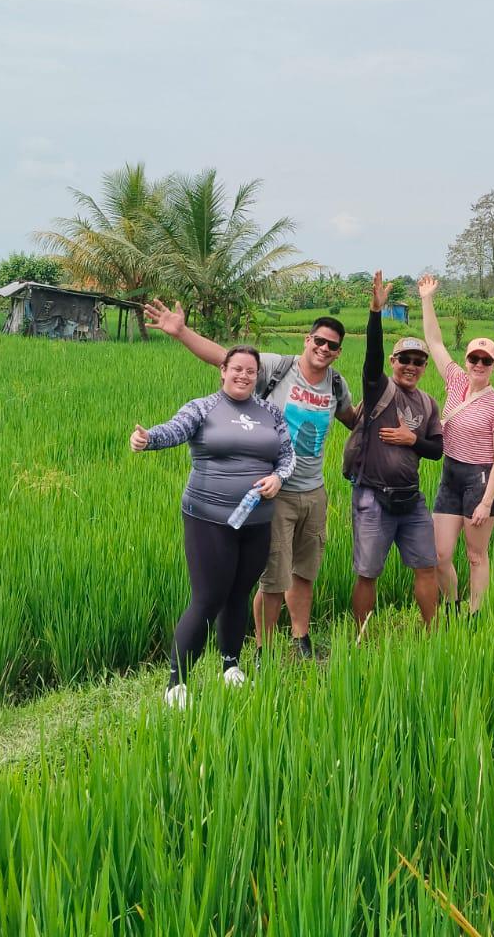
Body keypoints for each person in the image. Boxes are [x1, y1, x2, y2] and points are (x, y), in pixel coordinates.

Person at [144, 300, 357, 660]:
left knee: (305, 571)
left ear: (338, 352)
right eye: (319, 340)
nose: (324, 348)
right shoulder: (278, 367)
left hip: (314, 490)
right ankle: (263, 649)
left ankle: (301, 638)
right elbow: (225, 358)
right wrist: (181, 332)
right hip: (273, 493)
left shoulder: (336, 383)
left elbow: (352, 419)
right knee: (273, 578)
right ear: (307, 340)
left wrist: (388, 402)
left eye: (332, 345)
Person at [130, 345, 295, 707]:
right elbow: (175, 430)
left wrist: (278, 478)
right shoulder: (203, 408)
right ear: (223, 371)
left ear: (257, 375)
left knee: (238, 594)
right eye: (237, 369)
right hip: (209, 518)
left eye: (250, 371)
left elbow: (287, 455)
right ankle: (177, 683)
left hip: (257, 520)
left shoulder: (270, 412)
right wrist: (148, 438)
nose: (243, 376)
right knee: (208, 598)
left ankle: (230, 665)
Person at [349, 271, 444, 632]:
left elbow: (436, 450)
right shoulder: (378, 387)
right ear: (393, 361)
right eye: (405, 360)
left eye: (418, 361)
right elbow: (371, 357)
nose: (411, 367)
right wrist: (375, 313)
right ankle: (360, 637)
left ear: (424, 367)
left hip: (411, 500)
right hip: (373, 496)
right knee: (368, 571)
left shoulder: (428, 403)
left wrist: (411, 439)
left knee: (427, 566)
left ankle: (433, 633)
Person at [416, 274, 494, 615]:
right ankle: (452, 604)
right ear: (467, 360)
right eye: (474, 359)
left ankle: (475, 613)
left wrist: (485, 503)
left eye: (486, 361)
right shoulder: (456, 380)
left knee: (475, 555)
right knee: (439, 554)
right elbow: (434, 342)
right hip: (451, 475)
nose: (479, 365)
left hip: (481, 481)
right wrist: (427, 298)